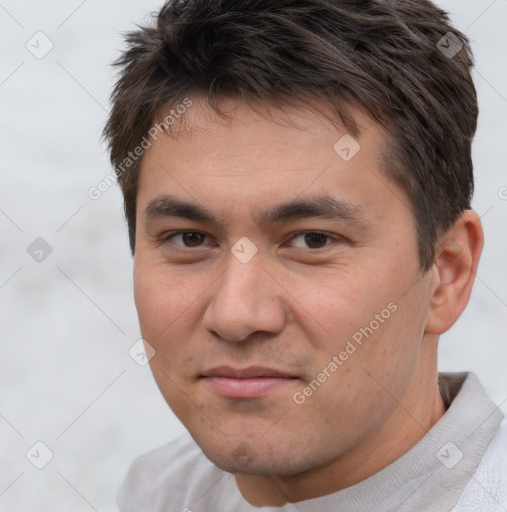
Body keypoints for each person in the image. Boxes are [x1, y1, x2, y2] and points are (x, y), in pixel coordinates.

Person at [103, 0, 506, 510]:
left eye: (312, 240)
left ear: (447, 273)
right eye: (190, 238)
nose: (236, 315)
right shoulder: (157, 492)